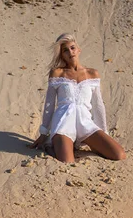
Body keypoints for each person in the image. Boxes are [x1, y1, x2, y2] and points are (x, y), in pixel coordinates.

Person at [28, 33, 126, 162]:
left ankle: (80, 142)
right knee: (68, 161)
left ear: (79, 50)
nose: (70, 52)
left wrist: (103, 132)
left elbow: (98, 105)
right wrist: (43, 133)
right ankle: (52, 145)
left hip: (85, 123)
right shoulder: (57, 73)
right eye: (65, 50)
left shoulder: (92, 74)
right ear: (61, 55)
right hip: (63, 123)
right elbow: (49, 105)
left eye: (72, 48)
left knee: (118, 154)